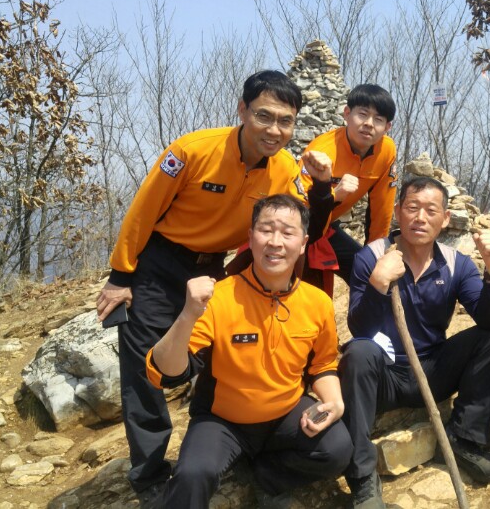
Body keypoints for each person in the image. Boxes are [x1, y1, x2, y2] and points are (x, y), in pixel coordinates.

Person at [94, 70, 335, 505]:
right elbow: (143, 210)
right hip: (159, 263)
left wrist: (322, 189)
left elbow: (302, 230)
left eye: (286, 121)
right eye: (264, 116)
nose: (274, 130)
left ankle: (216, 440)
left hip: (213, 268)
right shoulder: (193, 150)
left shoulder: (284, 169)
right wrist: (121, 275)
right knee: (145, 369)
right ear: (242, 110)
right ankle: (150, 475)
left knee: (212, 352)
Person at [145, 194, 352, 508]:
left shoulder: (317, 302)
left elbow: (322, 365)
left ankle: (264, 477)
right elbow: (164, 374)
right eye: (266, 230)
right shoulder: (219, 297)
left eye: (287, 232)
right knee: (193, 475)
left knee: (337, 449)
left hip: (286, 415)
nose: (275, 242)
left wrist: (334, 401)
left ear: (303, 243)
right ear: (250, 237)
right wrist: (187, 315)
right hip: (223, 422)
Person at [339, 176, 490, 509]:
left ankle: (465, 441)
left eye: (431, 210)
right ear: (398, 212)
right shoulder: (371, 257)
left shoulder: (455, 263)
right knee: (358, 351)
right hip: (383, 375)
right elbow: (359, 328)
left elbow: (487, 320)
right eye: (412, 207)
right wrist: (378, 282)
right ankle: (362, 478)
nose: (420, 218)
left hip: (432, 371)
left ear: (445, 219)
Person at [299, 84, 398, 295]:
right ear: (347, 114)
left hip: (328, 228)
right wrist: (335, 195)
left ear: (387, 127)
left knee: (370, 276)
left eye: (378, 119)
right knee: (308, 293)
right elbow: (301, 211)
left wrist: (376, 253)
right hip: (299, 229)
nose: (369, 124)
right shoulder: (322, 150)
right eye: (362, 114)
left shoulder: (386, 150)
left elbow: (382, 207)